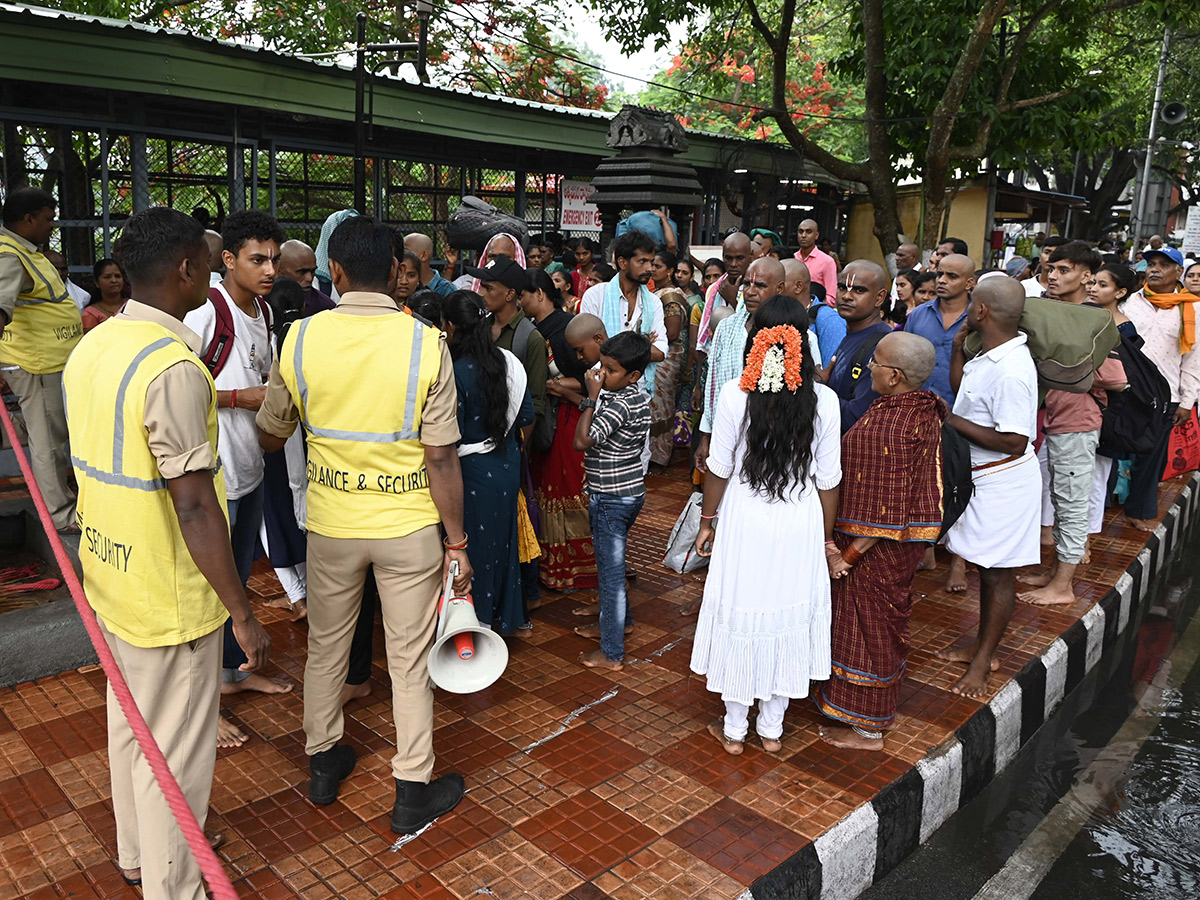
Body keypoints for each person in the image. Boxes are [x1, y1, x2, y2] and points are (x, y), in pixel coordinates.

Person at [64, 207, 270, 900]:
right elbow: (194, 503)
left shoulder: (94, 344)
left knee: (131, 725)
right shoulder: (172, 367)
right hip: (168, 592)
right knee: (176, 756)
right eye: (207, 262)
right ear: (184, 269)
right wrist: (240, 611)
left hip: (110, 573)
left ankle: (137, 855)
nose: (211, 273)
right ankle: (173, 884)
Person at [256, 214, 472, 832]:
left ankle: (323, 761)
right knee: (408, 659)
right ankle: (411, 789)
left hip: (331, 525)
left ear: (337, 272)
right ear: (399, 272)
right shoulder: (426, 343)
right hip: (408, 527)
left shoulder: (297, 339)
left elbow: (272, 436)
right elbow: (440, 456)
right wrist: (456, 542)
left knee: (326, 648)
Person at [691, 296, 841, 755]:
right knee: (787, 610)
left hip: (744, 520)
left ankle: (735, 730)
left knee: (743, 605)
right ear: (805, 343)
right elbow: (828, 479)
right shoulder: (825, 400)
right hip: (799, 522)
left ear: (757, 340)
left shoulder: (738, 393)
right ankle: (772, 729)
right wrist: (826, 538)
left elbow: (718, 467)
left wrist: (707, 521)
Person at [184, 209, 292, 717]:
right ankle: (205, 696)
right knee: (211, 583)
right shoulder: (207, 311)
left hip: (249, 467)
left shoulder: (264, 314)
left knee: (237, 577)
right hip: (214, 472)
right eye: (257, 259)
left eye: (273, 259)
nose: (270, 269)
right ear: (228, 260)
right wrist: (235, 399)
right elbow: (174, 390)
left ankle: (230, 676)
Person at [818, 332, 943, 750]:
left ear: (893, 376)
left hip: (874, 553)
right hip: (897, 550)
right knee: (873, 628)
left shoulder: (891, 425)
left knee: (868, 631)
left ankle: (869, 729)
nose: (867, 366)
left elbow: (884, 512)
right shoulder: (919, 409)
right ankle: (848, 708)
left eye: (875, 362)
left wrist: (846, 557)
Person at [939, 277, 1041, 697]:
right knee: (984, 566)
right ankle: (980, 644)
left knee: (999, 574)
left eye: (971, 304)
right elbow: (968, 394)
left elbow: (1015, 441)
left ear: (982, 310)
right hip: (980, 475)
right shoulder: (990, 353)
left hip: (1003, 479)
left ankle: (984, 661)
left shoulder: (1015, 370)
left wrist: (948, 418)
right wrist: (959, 347)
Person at [1021, 242, 1125, 606]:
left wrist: (1060, 370)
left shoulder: (1094, 320)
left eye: (1064, 270)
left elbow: (1116, 377)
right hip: (1046, 419)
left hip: (1077, 420)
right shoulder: (1046, 310)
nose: (1053, 276)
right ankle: (1054, 572)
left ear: (1086, 276)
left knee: (1071, 501)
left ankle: (1063, 586)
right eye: (1051, 268)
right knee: (1058, 497)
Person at [443, 290, 534, 632]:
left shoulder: (454, 372)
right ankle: (506, 615)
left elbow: (451, 433)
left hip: (470, 471)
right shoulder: (509, 362)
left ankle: (473, 620)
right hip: (507, 465)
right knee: (502, 543)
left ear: (450, 327)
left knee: (471, 546)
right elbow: (525, 415)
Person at [0, 187, 82, 533]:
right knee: (48, 439)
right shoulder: (9, 255)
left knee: (46, 429)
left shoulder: (26, 251)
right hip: (36, 363)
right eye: (48, 219)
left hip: (48, 362)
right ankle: (60, 514)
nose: (53, 226)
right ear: (28, 219)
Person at [573, 331, 652, 671]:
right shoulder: (636, 394)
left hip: (612, 497)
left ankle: (611, 652)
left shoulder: (619, 403)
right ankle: (620, 624)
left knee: (609, 575)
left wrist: (591, 397)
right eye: (600, 366)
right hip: (627, 491)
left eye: (611, 370)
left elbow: (583, 440)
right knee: (613, 567)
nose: (602, 375)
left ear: (633, 375)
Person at [1120, 245, 1200, 530]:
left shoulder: (1192, 309)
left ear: (1178, 272)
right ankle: (1100, 509)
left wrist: (1187, 401)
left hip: (1165, 394)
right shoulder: (1129, 302)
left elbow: (1193, 360)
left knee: (1150, 455)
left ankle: (1137, 511)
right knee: (1111, 449)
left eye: (1163, 265)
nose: (1154, 269)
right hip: (1124, 387)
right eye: (1151, 263)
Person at [526, 273, 597, 590]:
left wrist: (553, 386)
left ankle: (578, 568)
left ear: (539, 294)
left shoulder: (564, 329)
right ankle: (557, 566)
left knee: (568, 487)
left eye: (524, 295)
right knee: (551, 486)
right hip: (555, 419)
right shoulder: (537, 328)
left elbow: (584, 380)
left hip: (570, 420)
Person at [694, 257, 787, 475]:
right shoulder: (726, 328)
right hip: (725, 436)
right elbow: (713, 384)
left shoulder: (796, 335)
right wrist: (705, 437)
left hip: (771, 443)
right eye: (747, 284)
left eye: (760, 285)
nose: (751, 291)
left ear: (780, 288)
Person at [257, 277, 311, 621]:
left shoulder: (270, 345)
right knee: (301, 516)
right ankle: (307, 594)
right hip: (310, 444)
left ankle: (297, 596)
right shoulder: (312, 339)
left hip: (275, 441)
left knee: (272, 520)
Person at [579, 230, 667, 403]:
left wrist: (610, 346)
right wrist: (642, 345)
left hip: (640, 397)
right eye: (642, 261)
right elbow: (589, 351)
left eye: (651, 262)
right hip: (601, 395)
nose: (649, 268)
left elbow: (661, 352)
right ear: (622, 262)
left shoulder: (654, 303)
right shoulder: (596, 296)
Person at [824, 260, 894, 432]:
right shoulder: (853, 333)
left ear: (880, 297)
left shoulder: (881, 346)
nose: (846, 296)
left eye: (859, 290)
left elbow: (857, 417)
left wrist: (817, 390)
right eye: (842, 287)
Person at [903, 253, 974, 404]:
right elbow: (903, 361)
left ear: (969, 283)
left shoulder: (977, 319)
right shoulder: (918, 314)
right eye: (940, 274)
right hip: (916, 408)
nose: (942, 281)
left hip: (960, 412)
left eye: (952, 276)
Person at [695, 233, 752, 357]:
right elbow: (704, 336)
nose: (733, 264)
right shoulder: (714, 289)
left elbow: (751, 330)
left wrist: (732, 299)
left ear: (750, 257)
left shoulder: (756, 289)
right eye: (728, 258)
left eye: (740, 258)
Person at [277, 239, 337, 316]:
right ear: (280, 270)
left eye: (312, 271)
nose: (309, 278)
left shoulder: (325, 308)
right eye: (302, 272)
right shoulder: (261, 302)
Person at [793, 219, 838, 302]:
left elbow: (831, 297)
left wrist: (812, 306)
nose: (803, 235)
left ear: (816, 235)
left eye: (808, 232)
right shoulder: (792, 258)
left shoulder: (827, 261)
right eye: (800, 231)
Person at [404, 232, 456, 297]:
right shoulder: (401, 285)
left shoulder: (447, 289)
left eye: (406, 251)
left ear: (423, 256)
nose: (403, 255)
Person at [82, 257, 126, 331]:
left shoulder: (132, 305)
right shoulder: (90, 313)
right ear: (97, 283)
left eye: (117, 276)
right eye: (107, 277)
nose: (114, 280)